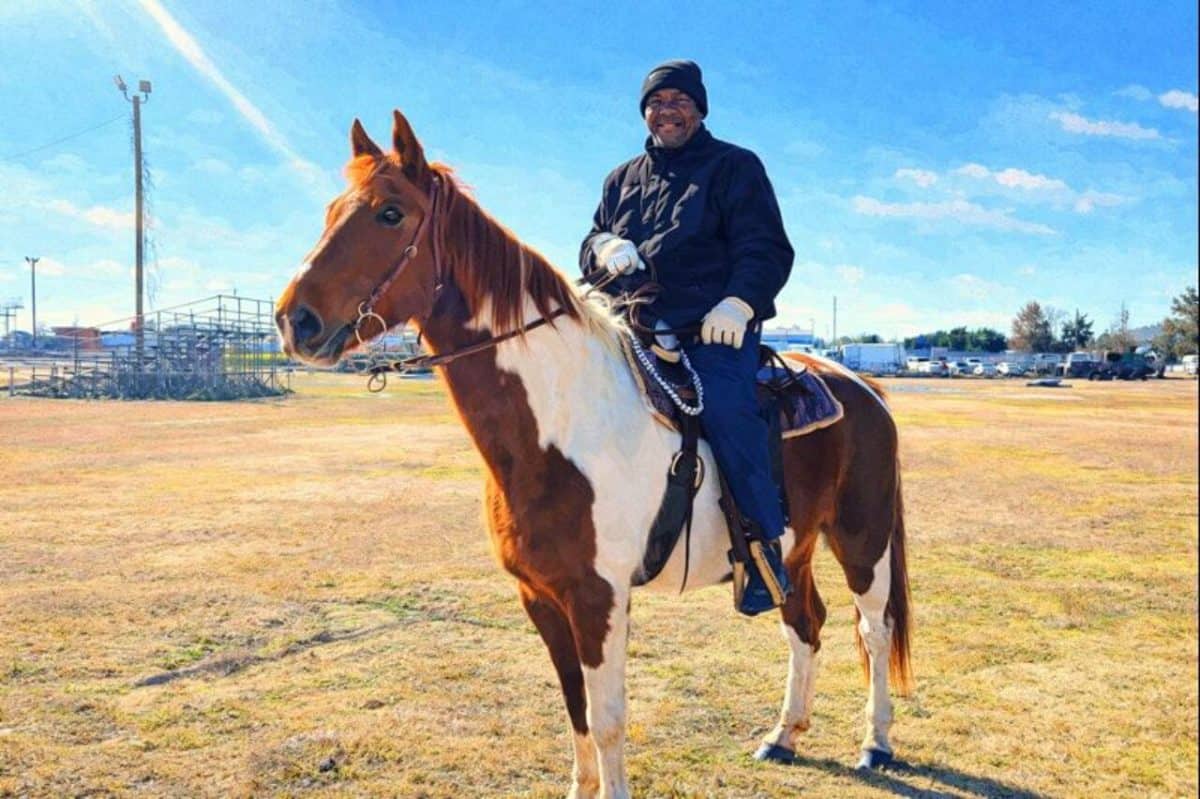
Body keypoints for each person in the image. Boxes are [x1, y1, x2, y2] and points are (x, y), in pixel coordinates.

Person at [580, 59, 795, 615]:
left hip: (711, 327)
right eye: (655, 101)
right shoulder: (621, 179)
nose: (665, 110)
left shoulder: (735, 167)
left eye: (678, 100)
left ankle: (760, 547)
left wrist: (740, 302)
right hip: (632, 323)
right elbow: (589, 242)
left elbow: (766, 248)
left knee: (725, 406)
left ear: (699, 109)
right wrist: (602, 245)